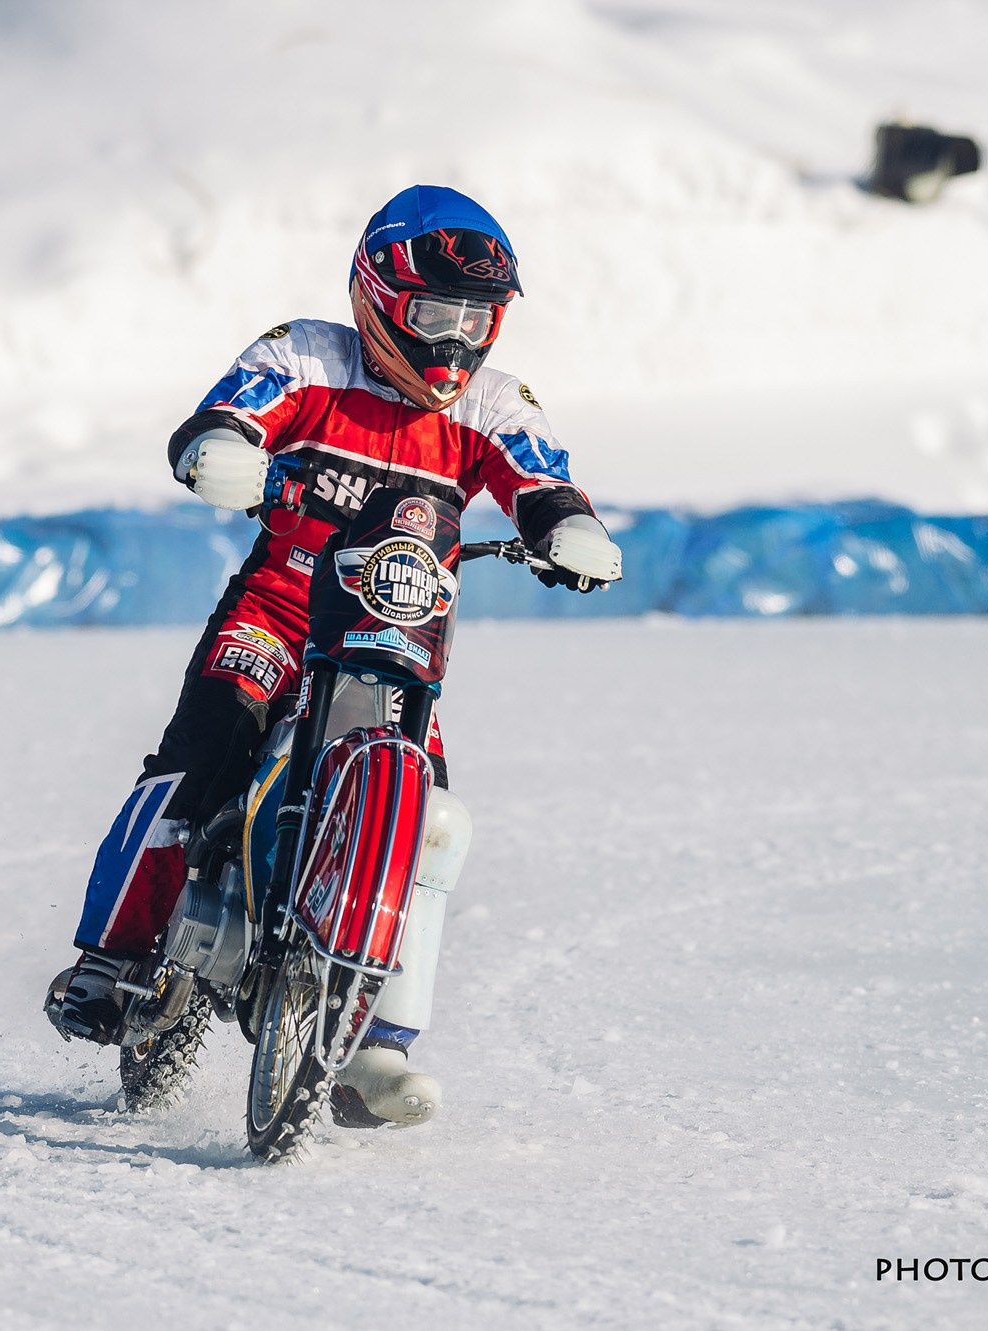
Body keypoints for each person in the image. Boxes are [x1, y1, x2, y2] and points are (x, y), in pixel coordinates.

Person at [44, 184, 622, 1127]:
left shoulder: (493, 402)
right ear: (378, 296)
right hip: (277, 614)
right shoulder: (306, 355)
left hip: (395, 638)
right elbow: (229, 415)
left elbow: (540, 475)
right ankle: (111, 956)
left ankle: (380, 1048)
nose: (456, 342)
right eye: (435, 315)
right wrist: (221, 448)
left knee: (435, 824)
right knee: (200, 753)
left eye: (477, 319)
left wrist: (566, 525)